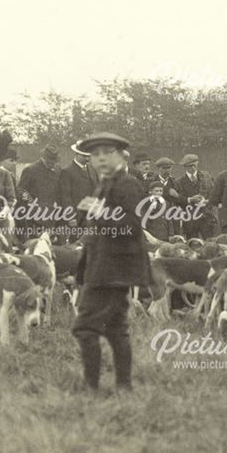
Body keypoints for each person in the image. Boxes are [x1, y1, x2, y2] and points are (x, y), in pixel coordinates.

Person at [72, 132, 151, 392]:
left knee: (84, 327)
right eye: (95, 154)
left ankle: (91, 388)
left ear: (121, 155)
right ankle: (123, 387)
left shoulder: (127, 184)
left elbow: (131, 226)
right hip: (106, 268)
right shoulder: (106, 183)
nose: (101, 158)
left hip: (112, 270)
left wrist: (99, 211)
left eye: (107, 152)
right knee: (117, 329)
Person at [17, 144, 62, 240]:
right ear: (43, 158)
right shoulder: (30, 170)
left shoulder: (57, 169)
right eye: (50, 162)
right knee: (37, 242)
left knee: (53, 243)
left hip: (53, 213)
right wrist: (26, 195)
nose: (52, 164)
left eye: (54, 162)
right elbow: (20, 188)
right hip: (36, 214)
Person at [59, 143, 99, 241]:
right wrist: (70, 216)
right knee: (77, 246)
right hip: (77, 218)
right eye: (84, 155)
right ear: (76, 154)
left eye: (88, 156)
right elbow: (65, 196)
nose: (87, 158)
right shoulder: (67, 172)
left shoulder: (93, 170)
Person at [175, 154, 217, 239]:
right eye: (189, 166)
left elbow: (214, 193)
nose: (192, 168)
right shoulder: (179, 182)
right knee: (193, 244)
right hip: (191, 219)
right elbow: (178, 200)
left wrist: (208, 201)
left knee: (210, 242)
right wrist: (190, 200)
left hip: (207, 217)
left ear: (197, 164)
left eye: (194, 165)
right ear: (184, 167)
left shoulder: (206, 176)